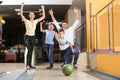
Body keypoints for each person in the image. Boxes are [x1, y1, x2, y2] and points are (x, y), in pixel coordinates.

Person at [20, 2, 45, 70]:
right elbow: (21, 14)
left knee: (31, 51)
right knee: (29, 50)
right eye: (30, 14)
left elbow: (43, 16)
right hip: (27, 37)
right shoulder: (26, 21)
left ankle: (30, 65)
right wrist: (22, 6)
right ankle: (28, 65)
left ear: (34, 16)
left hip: (33, 37)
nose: (31, 15)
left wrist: (43, 8)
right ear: (29, 16)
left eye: (32, 14)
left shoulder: (36, 21)